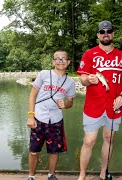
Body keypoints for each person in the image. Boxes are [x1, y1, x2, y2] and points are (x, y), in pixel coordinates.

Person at [76, 20, 122, 180]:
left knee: (108, 139)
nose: (106, 34)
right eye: (102, 32)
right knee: (89, 140)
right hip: (93, 105)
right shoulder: (89, 54)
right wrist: (89, 79)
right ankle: (82, 175)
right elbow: (82, 79)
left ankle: (103, 172)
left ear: (113, 34)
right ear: (98, 35)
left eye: (109, 31)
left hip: (114, 106)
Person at [26, 50, 76, 180]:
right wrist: (31, 116)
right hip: (39, 118)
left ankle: (51, 174)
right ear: (53, 61)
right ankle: (31, 176)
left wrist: (66, 104)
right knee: (33, 150)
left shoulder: (70, 82)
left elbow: (70, 103)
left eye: (64, 58)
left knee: (54, 151)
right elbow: (32, 95)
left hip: (56, 120)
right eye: (57, 59)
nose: (60, 61)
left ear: (68, 62)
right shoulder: (44, 74)